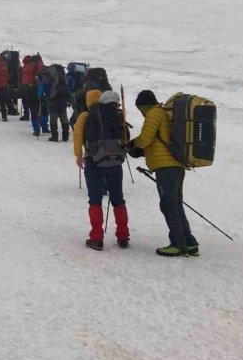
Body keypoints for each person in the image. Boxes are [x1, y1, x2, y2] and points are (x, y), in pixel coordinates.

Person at [128, 90, 199, 257]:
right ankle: (189, 242)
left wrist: (132, 144)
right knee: (175, 203)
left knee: (168, 205)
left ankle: (178, 244)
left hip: (165, 167)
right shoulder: (161, 112)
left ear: (144, 105)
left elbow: (146, 138)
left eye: (140, 108)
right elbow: (159, 140)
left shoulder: (153, 113)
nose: (140, 111)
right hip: (175, 165)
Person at [75, 90, 130, 250]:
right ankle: (123, 236)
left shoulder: (86, 116)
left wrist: (79, 156)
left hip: (94, 160)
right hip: (115, 162)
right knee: (118, 198)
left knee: (95, 198)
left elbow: (78, 136)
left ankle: (97, 237)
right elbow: (125, 136)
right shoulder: (117, 115)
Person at [46, 64, 71, 141]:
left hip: (54, 99)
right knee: (64, 117)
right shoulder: (64, 76)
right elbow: (70, 84)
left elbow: (47, 86)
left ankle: (55, 136)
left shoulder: (51, 75)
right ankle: (65, 136)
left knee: (53, 118)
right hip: (63, 98)